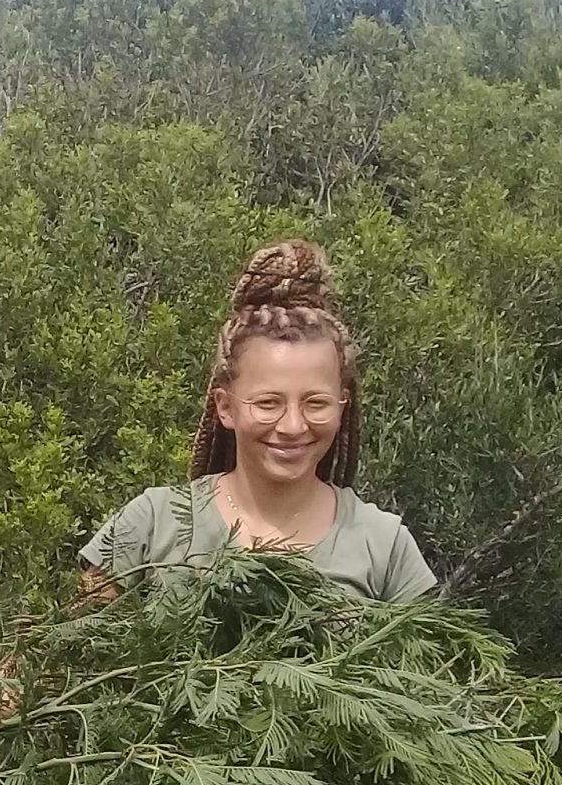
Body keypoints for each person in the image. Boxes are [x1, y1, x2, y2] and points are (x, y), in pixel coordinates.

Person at [82, 240, 435, 601]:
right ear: (225, 407)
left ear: (343, 405)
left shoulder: (384, 545)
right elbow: (75, 643)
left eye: (316, 403)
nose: (293, 426)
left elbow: (430, 655)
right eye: (268, 403)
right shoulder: (151, 524)